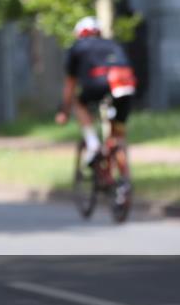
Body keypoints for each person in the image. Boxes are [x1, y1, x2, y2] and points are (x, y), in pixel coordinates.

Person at [55, 16, 136, 190]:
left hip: (99, 84)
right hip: (125, 84)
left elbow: (70, 84)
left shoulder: (77, 48)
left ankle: (92, 144)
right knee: (118, 135)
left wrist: (64, 110)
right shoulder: (112, 44)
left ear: (79, 34)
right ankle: (124, 180)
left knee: (80, 103)